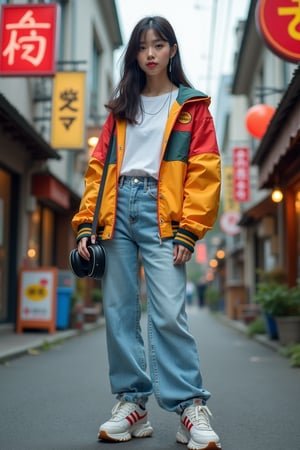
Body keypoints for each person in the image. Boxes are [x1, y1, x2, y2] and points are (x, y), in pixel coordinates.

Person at [72, 16, 221, 450]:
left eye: (159, 45)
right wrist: (86, 223)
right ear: (135, 54)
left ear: (172, 50)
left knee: (169, 310)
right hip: (117, 211)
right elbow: (98, 169)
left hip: (163, 214)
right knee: (118, 310)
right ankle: (132, 405)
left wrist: (189, 229)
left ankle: (189, 407)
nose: (150, 53)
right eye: (142, 46)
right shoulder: (121, 109)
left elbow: (205, 171)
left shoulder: (192, 107)